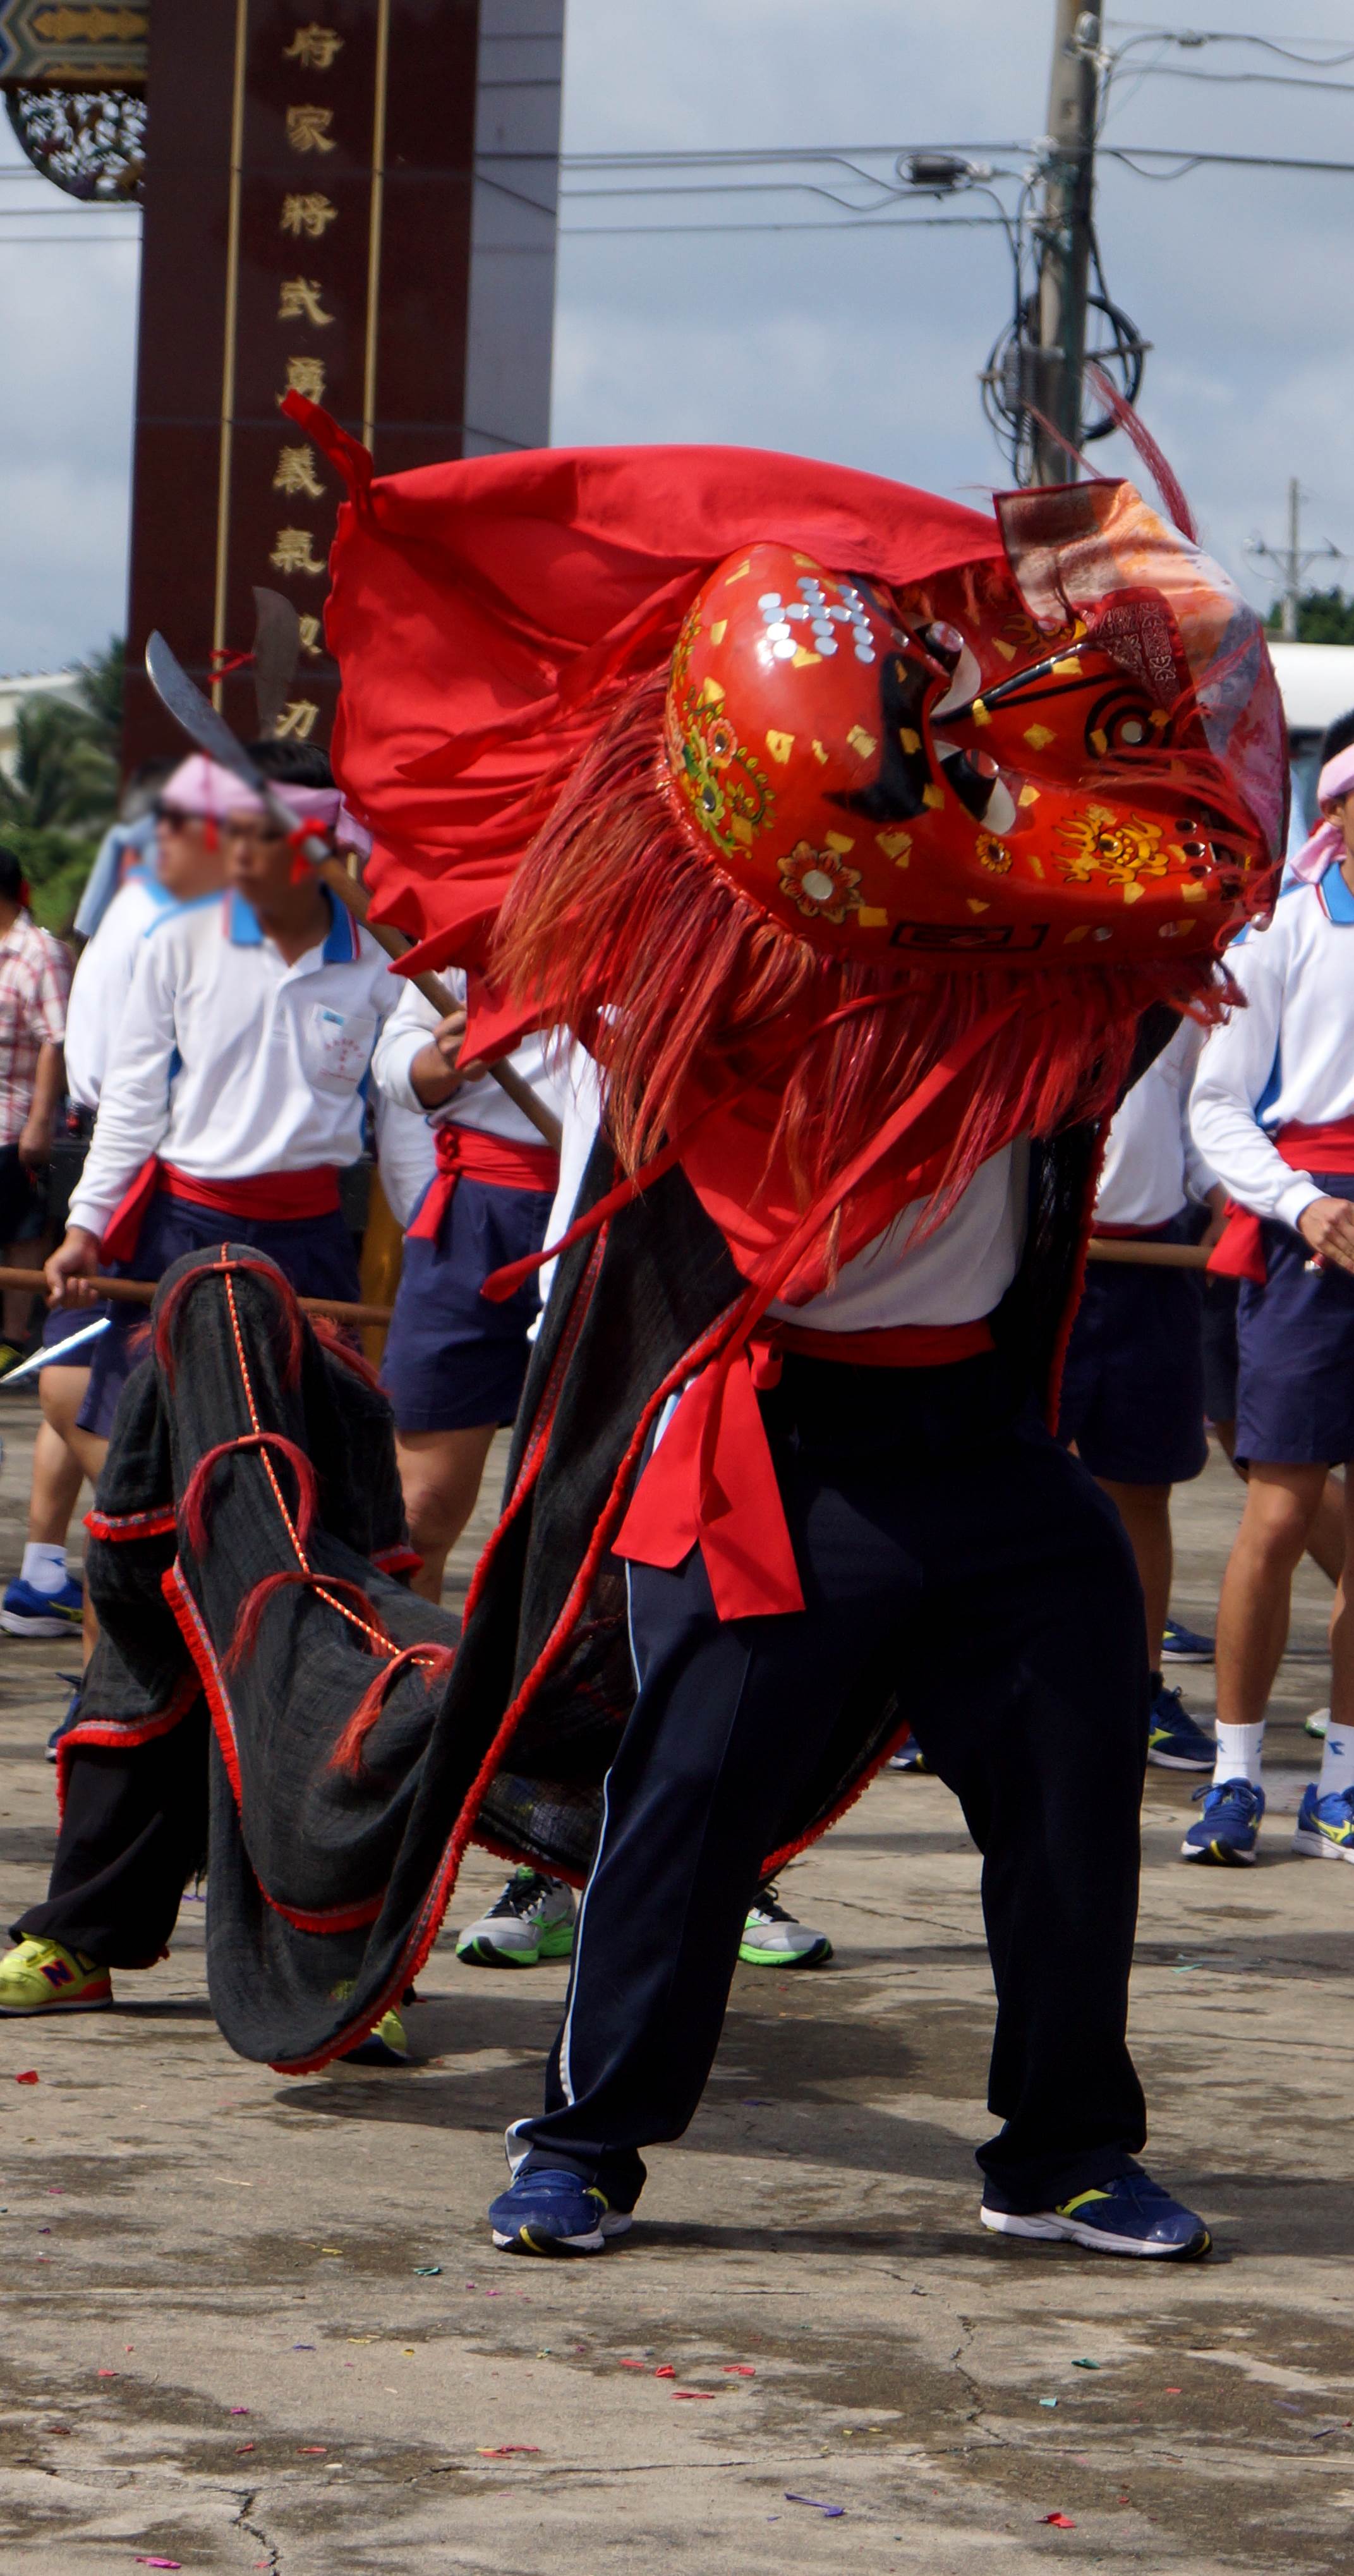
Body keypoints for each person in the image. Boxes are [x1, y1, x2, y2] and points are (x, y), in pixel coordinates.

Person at [0, 428, 1281, 2271]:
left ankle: (1062, 2145)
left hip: (987, 1457)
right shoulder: (721, 986)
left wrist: (1108, 609)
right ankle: (588, 2139)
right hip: (780, 1454)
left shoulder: (1045, 948)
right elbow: (568, 1062)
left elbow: (1192, 847)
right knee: (682, 1814)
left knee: (1077, 1789)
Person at [44, 739, 397, 1456]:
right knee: (149, 1451)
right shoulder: (177, 937)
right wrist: (85, 1227)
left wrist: (431, 1249)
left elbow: (404, 1122)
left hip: (312, 1243)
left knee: (309, 1461)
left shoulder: (380, 967)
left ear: (319, 843)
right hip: (181, 1232)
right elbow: (133, 1101)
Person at [1, 756, 233, 1664]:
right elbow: (132, 1076)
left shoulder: (131, 908)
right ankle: (153, 1548)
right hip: (145, 1163)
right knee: (93, 1386)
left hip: (125, 1152)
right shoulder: (172, 921)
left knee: (89, 1376)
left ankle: (49, 1566)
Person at [1187, 709, 1354, 1868]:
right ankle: (1236, 1773)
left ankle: (1342, 1778)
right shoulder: (1282, 931)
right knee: (1279, 1510)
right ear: (1336, 807)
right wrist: (1301, 1204)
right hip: (1310, 1236)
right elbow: (1215, 1109)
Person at [1057, 1015, 1219, 1770]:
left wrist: (1223, 1198)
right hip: (1038, 1261)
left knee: (1141, 1489)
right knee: (997, 1483)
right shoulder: (1042, 981)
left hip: (1152, 1264)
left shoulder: (1180, 996)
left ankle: (1138, 1684)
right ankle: (937, 1691)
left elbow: (1201, 1114)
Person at [372, 979, 565, 1604]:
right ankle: (404, 1694)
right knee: (418, 1513)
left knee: (578, 1516)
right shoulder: (485, 901)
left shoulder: (693, 899)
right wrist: (439, 1061)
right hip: (473, 1215)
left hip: (618, 1209)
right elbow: (398, 1055)